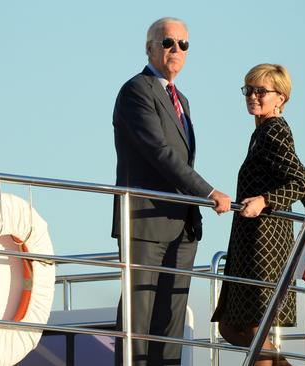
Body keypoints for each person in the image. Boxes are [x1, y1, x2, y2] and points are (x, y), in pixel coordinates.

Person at [111, 17, 231, 366]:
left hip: (182, 226)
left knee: (171, 322)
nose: (176, 50)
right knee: (139, 318)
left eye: (183, 44)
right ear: (149, 48)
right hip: (145, 224)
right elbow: (160, 153)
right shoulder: (136, 91)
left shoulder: (183, 101)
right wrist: (208, 191)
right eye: (168, 42)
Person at [210, 64, 305, 366]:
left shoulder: (274, 130)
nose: (253, 96)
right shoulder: (262, 132)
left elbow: (300, 182)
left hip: (264, 246)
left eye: (261, 91)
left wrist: (265, 200)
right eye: (249, 90)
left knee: (254, 329)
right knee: (231, 326)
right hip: (249, 243)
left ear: (280, 98)